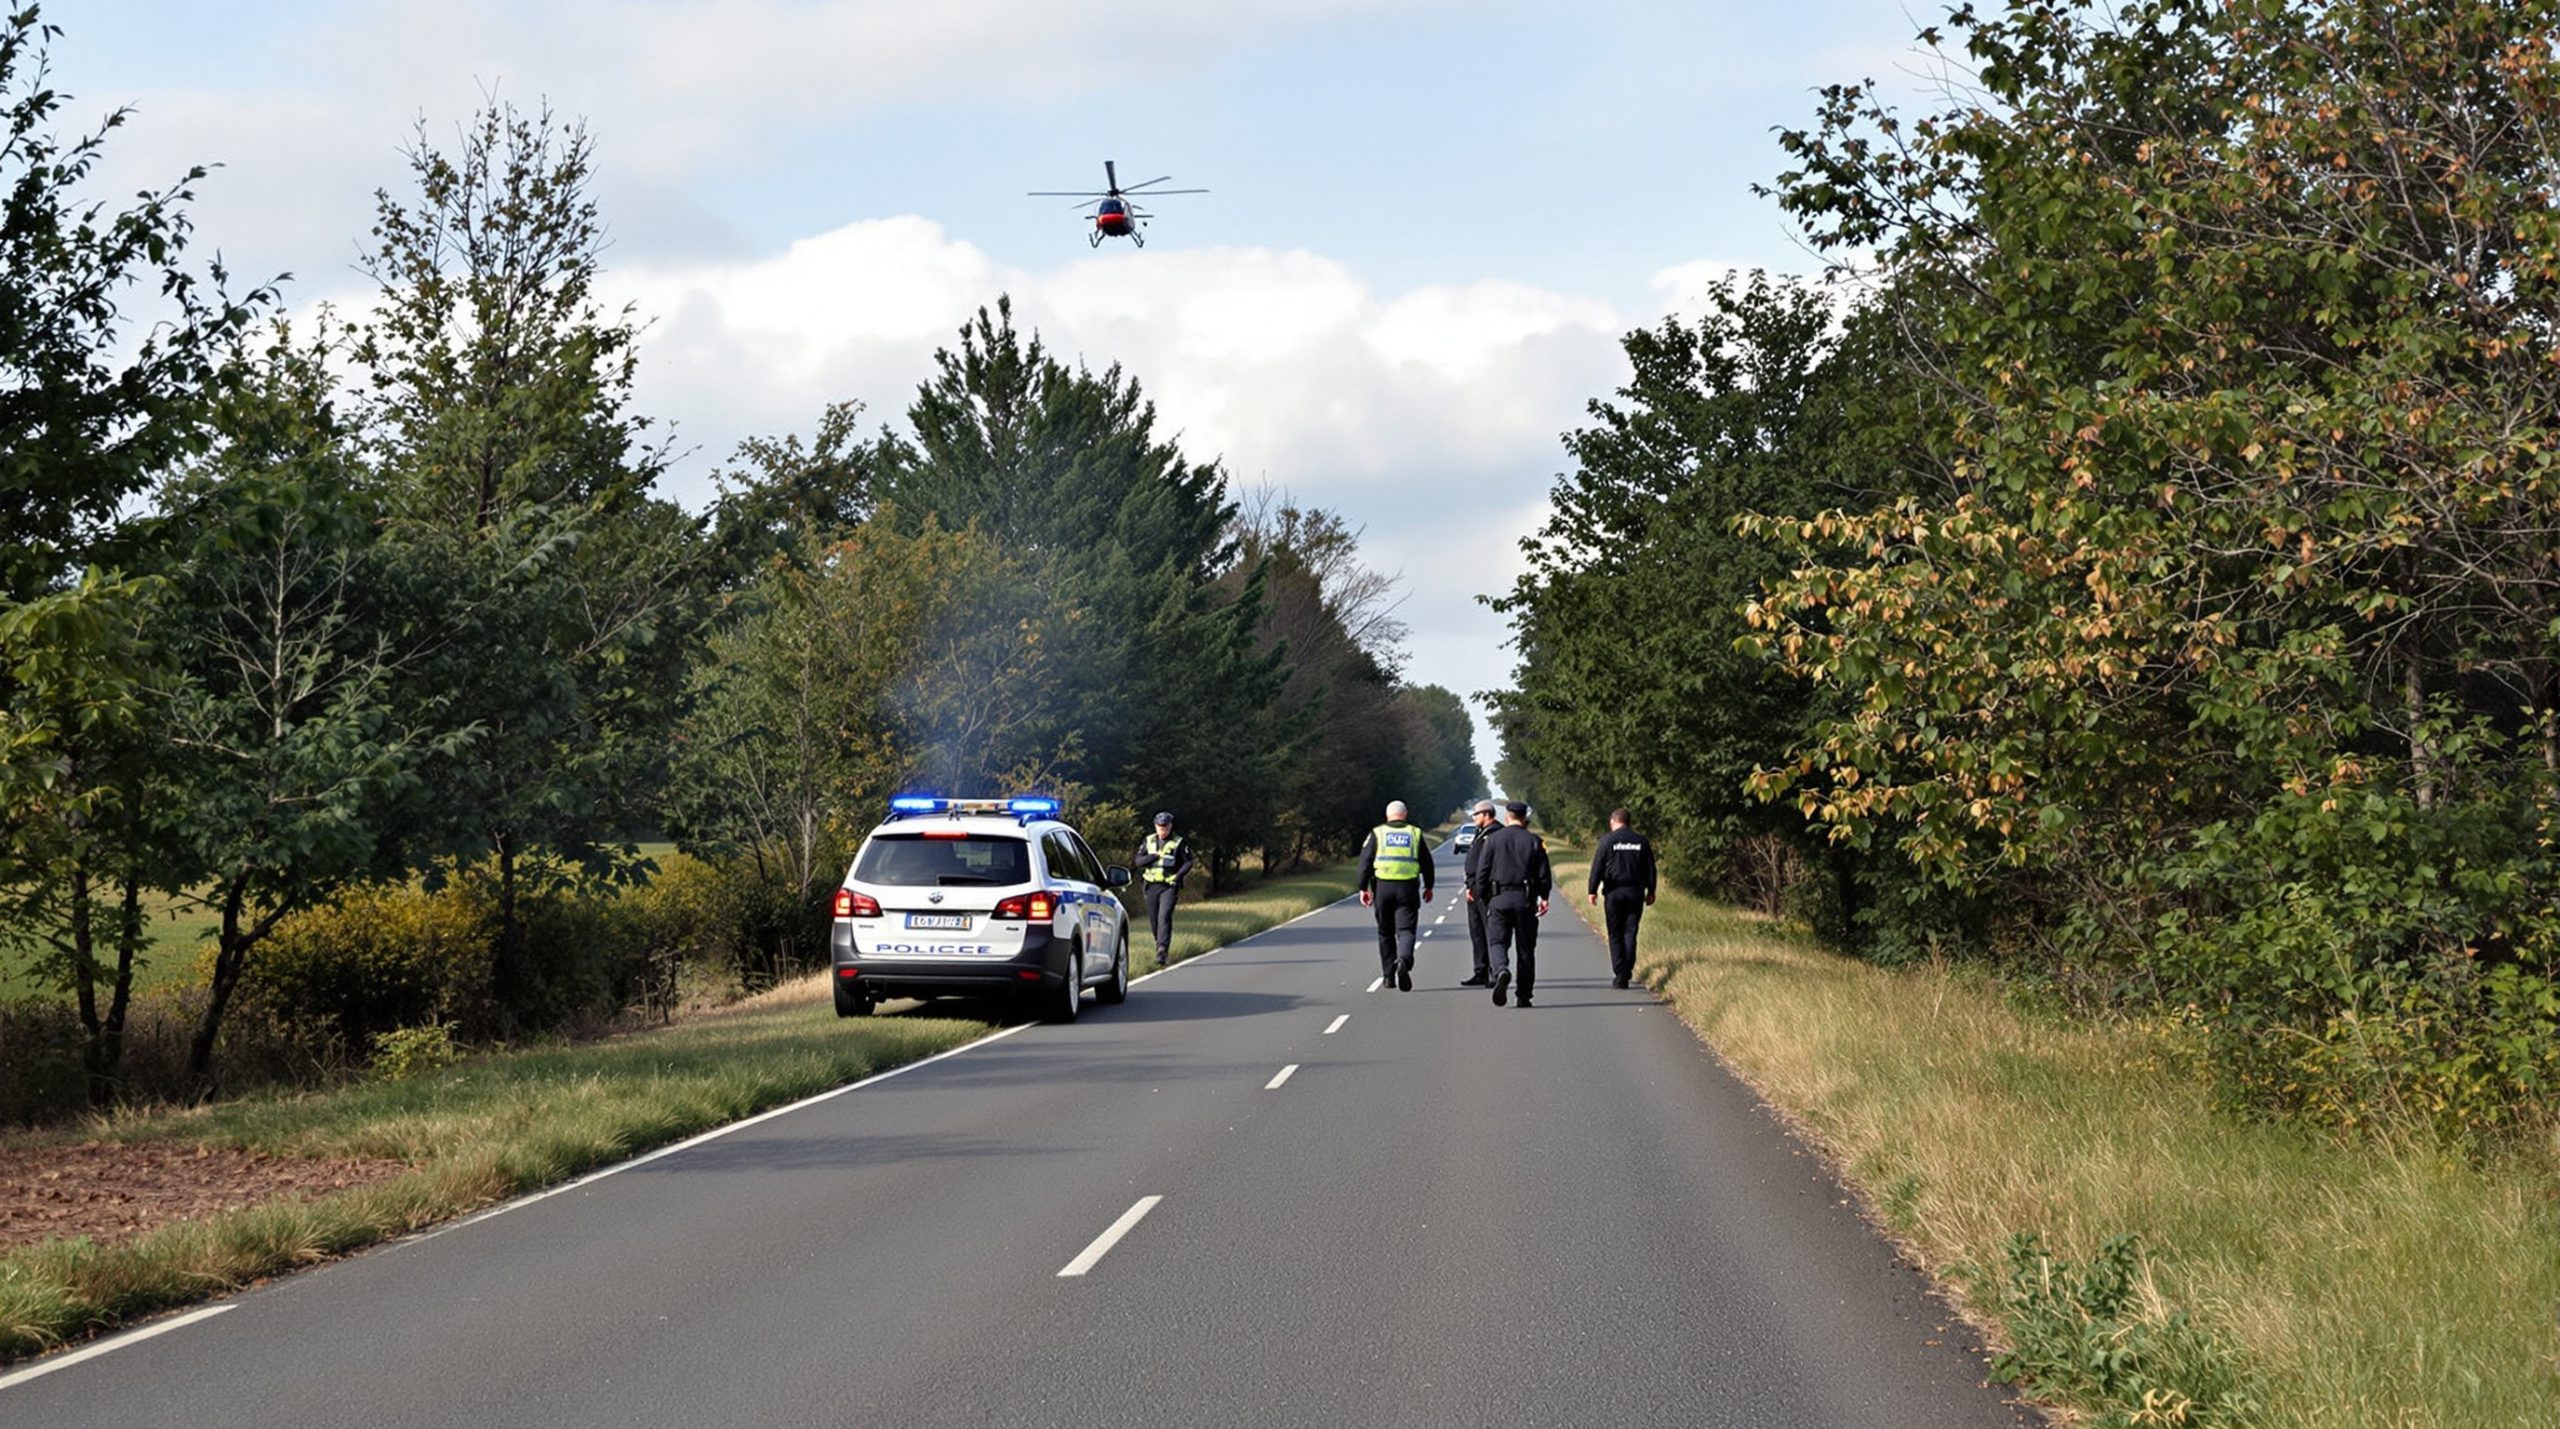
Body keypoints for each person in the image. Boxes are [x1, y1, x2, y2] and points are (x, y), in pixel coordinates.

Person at [1473, 801, 1551, 1008]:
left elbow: (1482, 873)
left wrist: (1485, 898)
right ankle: (1524, 996)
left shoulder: (1493, 840)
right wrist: (1544, 897)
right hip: (1525, 900)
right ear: (1524, 817)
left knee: (1497, 942)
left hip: (1499, 898)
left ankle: (1501, 970)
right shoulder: (1535, 841)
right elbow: (1543, 875)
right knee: (1526, 949)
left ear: (1507, 816)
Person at [1358, 800, 1434, 990]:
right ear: (1405, 815)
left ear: (1387, 815)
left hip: (1383, 888)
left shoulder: (1378, 833)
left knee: (1385, 932)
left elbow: (1365, 862)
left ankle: (1388, 977)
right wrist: (1429, 886)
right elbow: (1427, 862)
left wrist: (1363, 888)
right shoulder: (1414, 833)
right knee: (1406, 930)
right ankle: (1404, 960)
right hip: (1408, 888)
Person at [1586, 807, 1658, 989]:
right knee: (1630, 931)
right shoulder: (1641, 841)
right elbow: (1650, 868)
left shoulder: (1607, 841)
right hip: (1635, 892)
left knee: (1615, 933)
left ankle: (1620, 973)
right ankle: (1627, 968)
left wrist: (1592, 890)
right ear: (1629, 822)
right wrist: (1651, 891)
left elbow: (1598, 867)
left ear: (1613, 821)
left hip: (1614, 893)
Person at [1135, 811, 1195, 969]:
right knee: (1154, 919)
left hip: (1169, 886)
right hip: (1151, 886)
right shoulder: (1148, 841)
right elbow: (1138, 861)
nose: (1163, 830)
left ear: (1170, 826)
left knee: (1164, 916)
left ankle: (1162, 950)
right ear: (1155, 826)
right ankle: (1158, 942)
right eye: (1160, 827)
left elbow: (1188, 862)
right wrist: (1152, 857)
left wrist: (1178, 876)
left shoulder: (1178, 842)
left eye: (1165, 827)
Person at [1458, 799, 1498, 986]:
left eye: (1477, 814)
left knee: (1490, 930)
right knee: (1476, 931)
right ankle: (1480, 970)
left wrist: (1480, 887)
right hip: (1474, 887)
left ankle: (1494, 972)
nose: (1474, 818)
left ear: (1487, 814)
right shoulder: (1480, 832)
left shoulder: (1496, 833)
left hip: (1486, 888)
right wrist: (1469, 885)